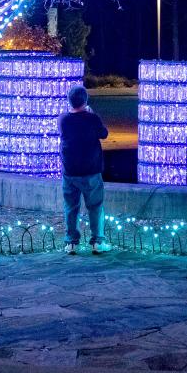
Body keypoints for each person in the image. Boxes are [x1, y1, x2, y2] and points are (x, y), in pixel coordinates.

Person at [58, 85, 110, 255]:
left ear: (69, 102)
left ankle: (71, 242)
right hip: (91, 171)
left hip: (70, 171)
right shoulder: (92, 118)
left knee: (71, 207)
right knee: (95, 206)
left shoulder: (63, 119)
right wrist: (91, 113)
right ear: (85, 100)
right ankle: (97, 241)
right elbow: (104, 134)